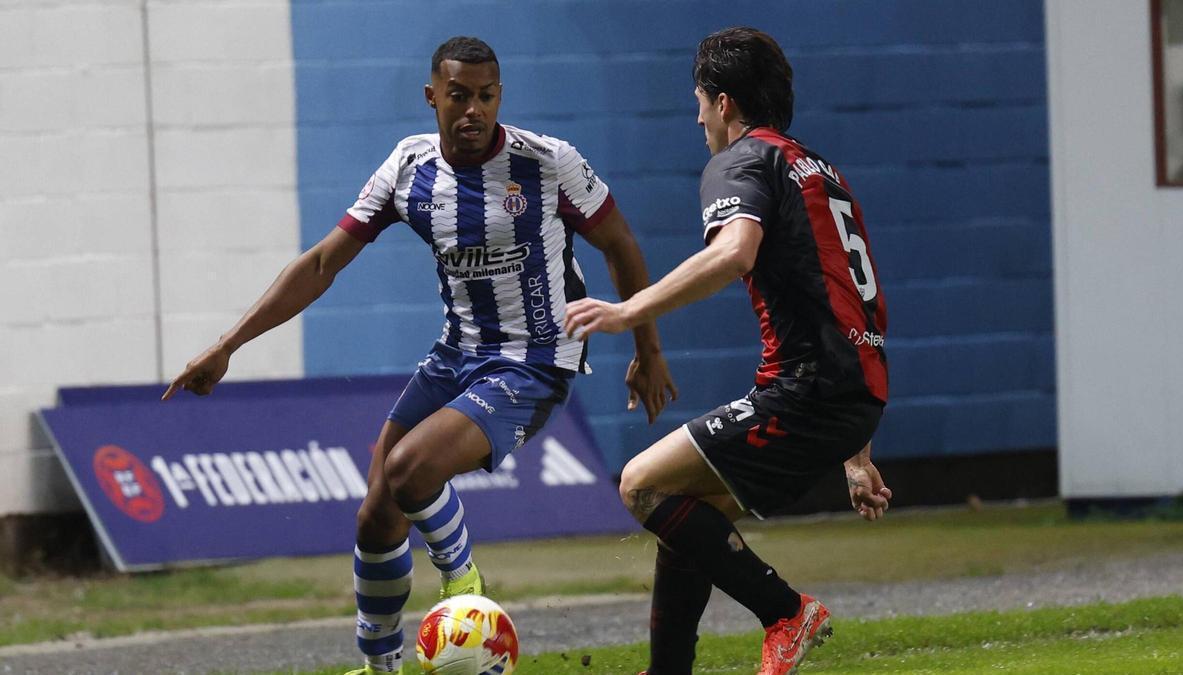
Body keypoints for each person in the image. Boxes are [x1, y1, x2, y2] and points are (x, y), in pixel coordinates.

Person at [162, 36, 676, 674]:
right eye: (459, 96)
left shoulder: (548, 163)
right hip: (456, 354)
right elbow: (322, 263)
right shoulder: (409, 166)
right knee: (377, 511)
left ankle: (463, 582)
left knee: (408, 471)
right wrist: (228, 345)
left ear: (500, 97)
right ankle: (381, 668)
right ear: (432, 96)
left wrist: (647, 348)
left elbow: (621, 246)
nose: (473, 110)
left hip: (535, 361)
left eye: (486, 96)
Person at [564, 27, 891, 674]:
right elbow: (848, 304)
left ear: (723, 103)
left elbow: (734, 252)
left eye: (699, 102)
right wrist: (857, 452)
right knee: (690, 506)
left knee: (641, 484)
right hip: (855, 394)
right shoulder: (820, 170)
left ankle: (785, 611)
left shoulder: (742, 160)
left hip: (807, 390)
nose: (697, 119)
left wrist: (629, 309)